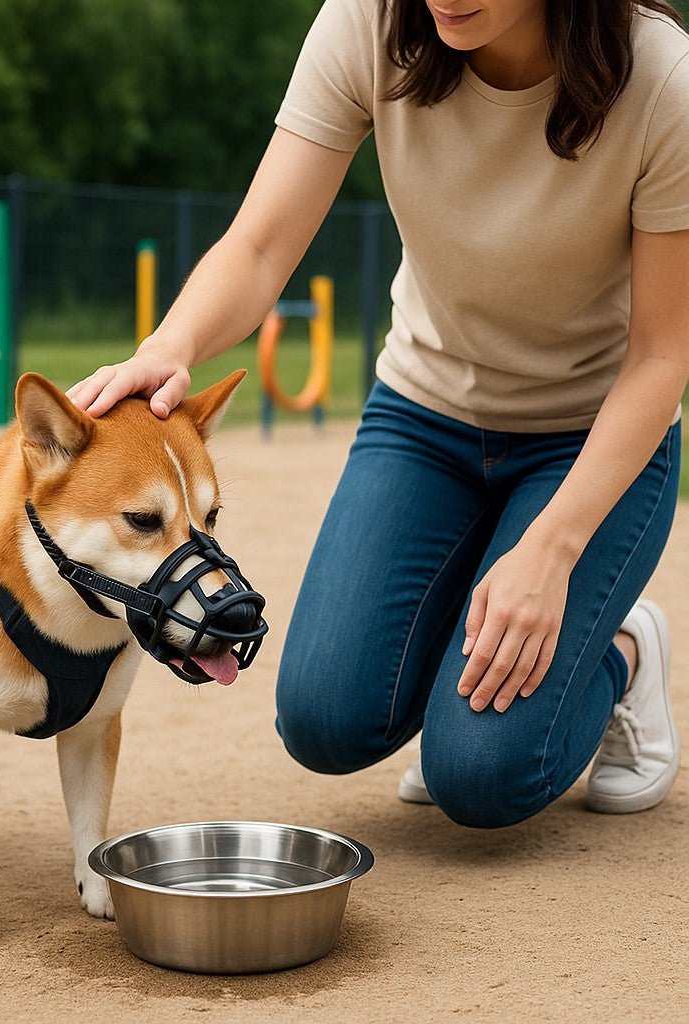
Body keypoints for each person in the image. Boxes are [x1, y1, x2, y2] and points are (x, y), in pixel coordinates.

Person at [66, 0, 689, 828]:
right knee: (325, 721)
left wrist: (552, 550)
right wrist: (169, 345)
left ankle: (621, 652)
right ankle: (487, 642)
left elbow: (660, 358)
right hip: (425, 419)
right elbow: (258, 247)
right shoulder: (370, 22)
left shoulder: (663, 81)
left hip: (587, 440)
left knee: (480, 773)